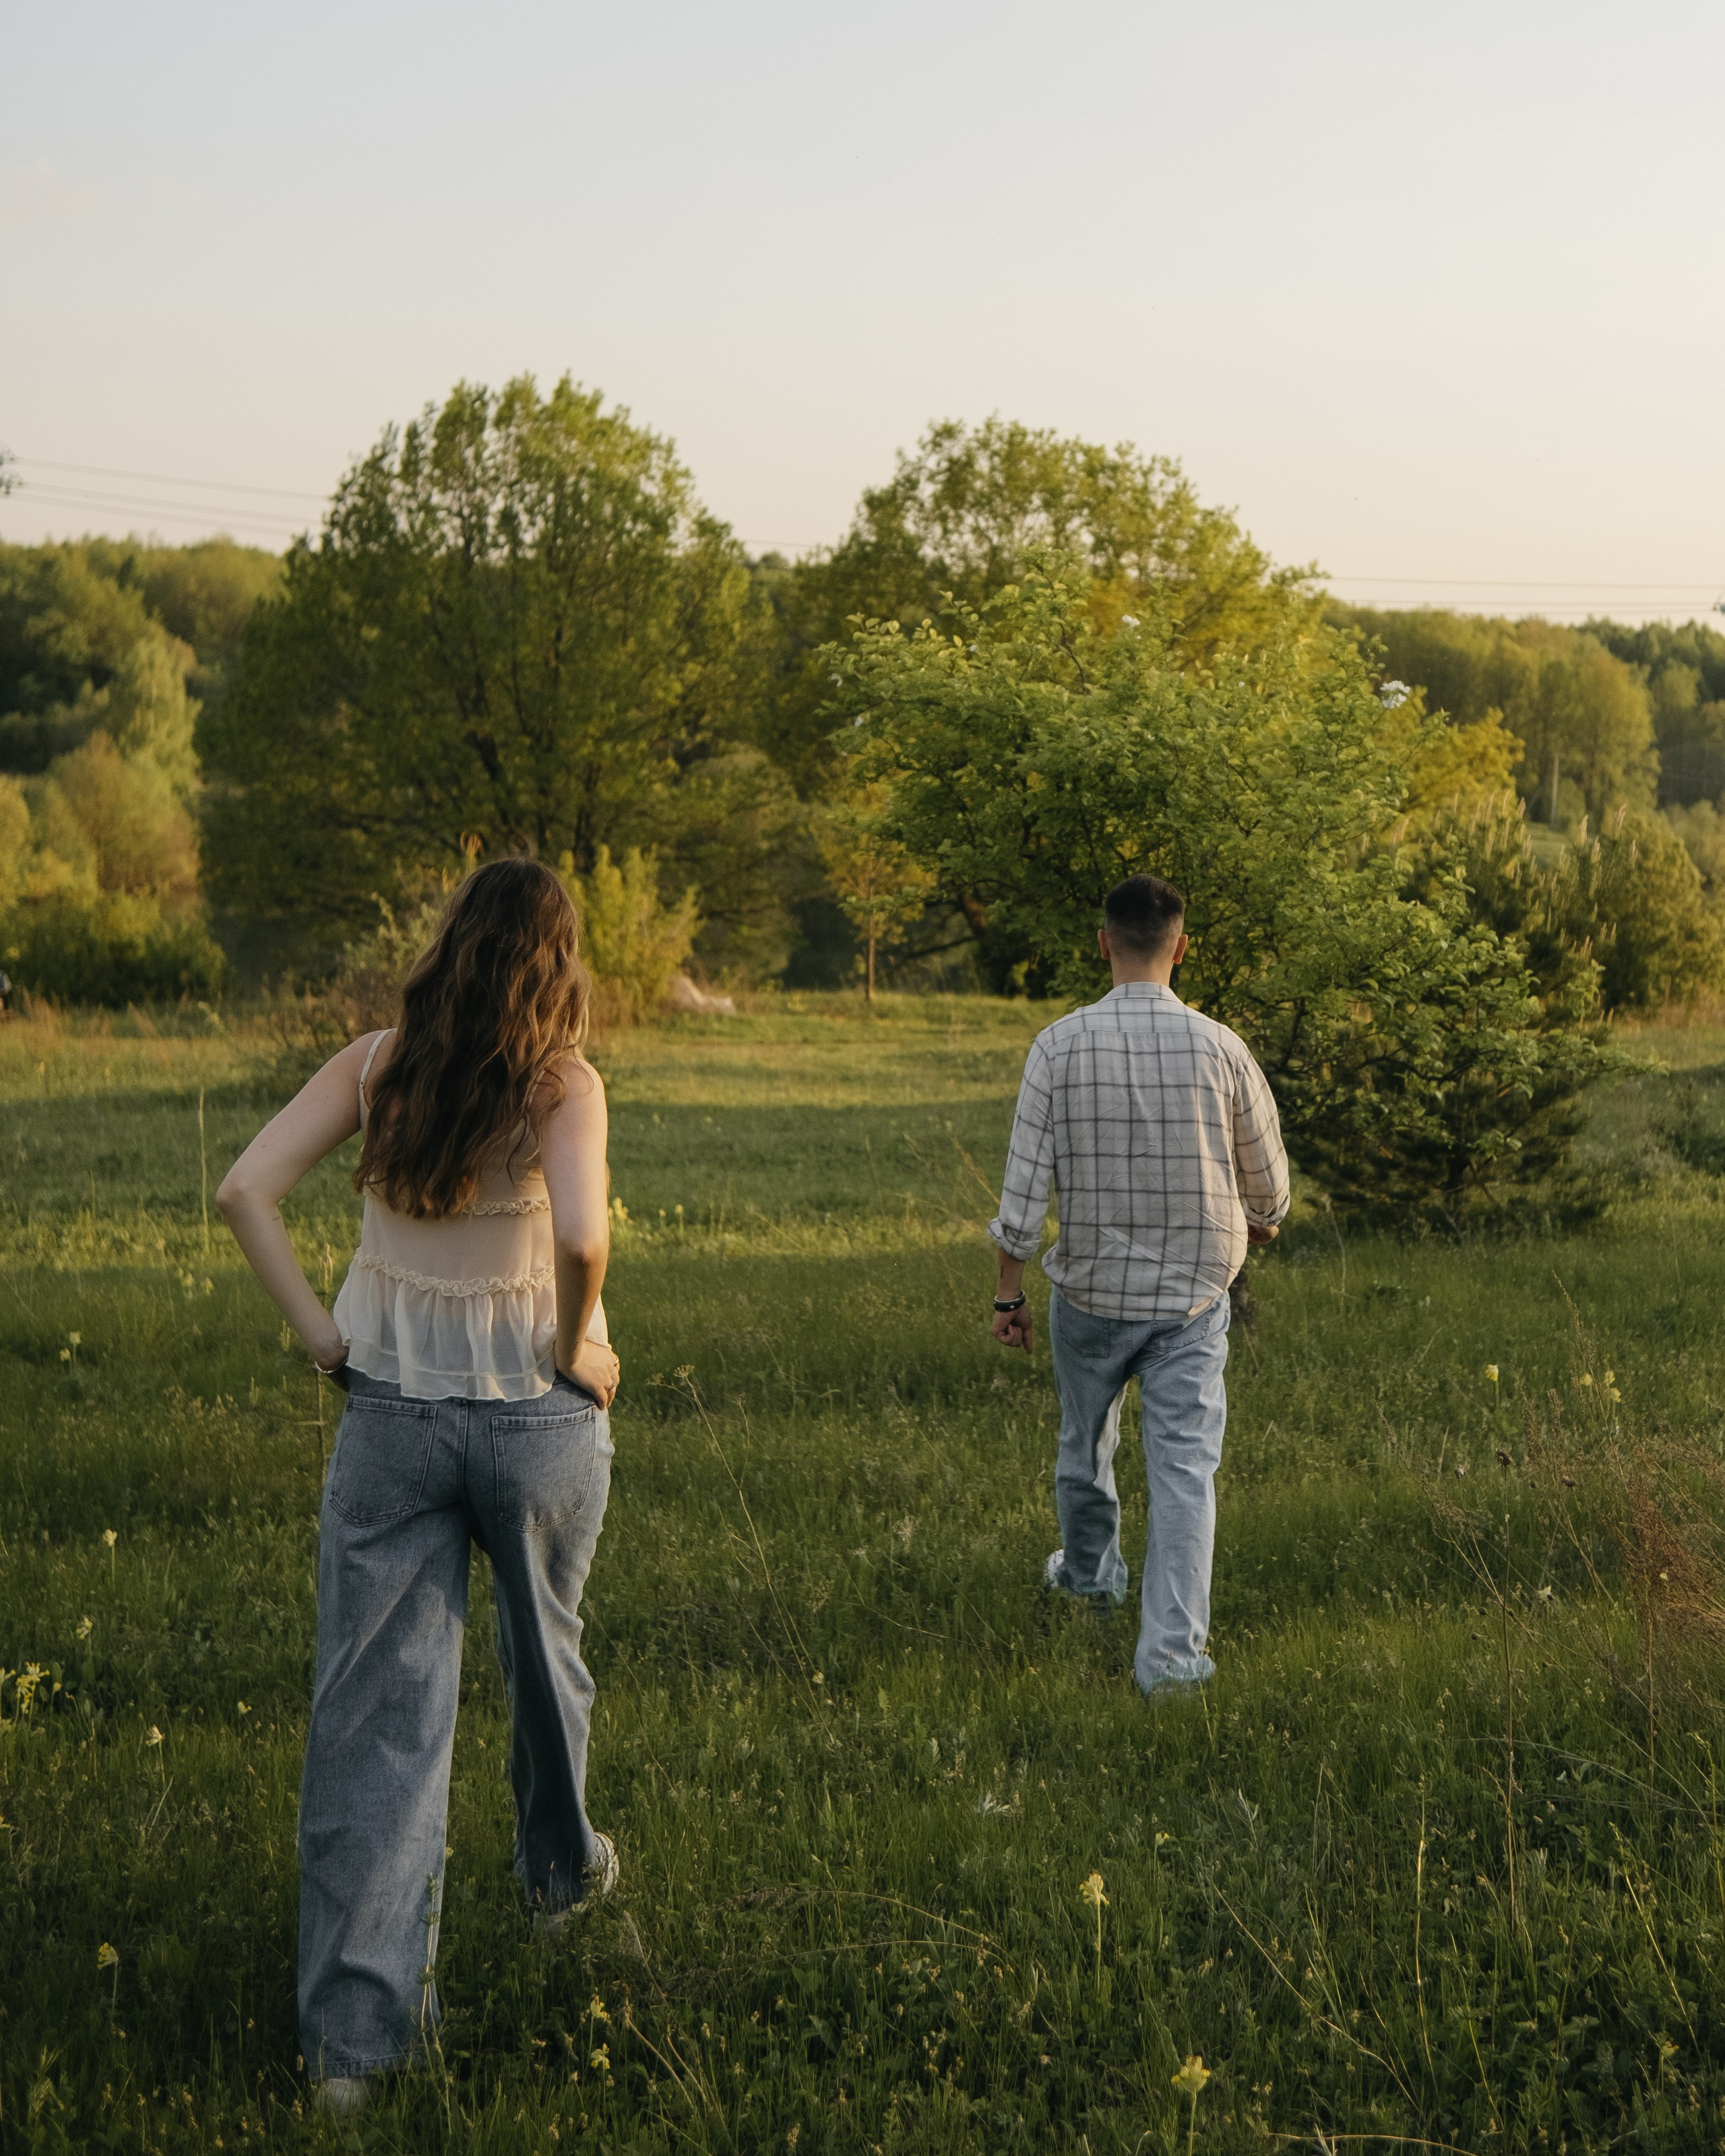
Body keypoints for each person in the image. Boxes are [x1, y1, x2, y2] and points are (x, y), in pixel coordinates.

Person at [217, 859, 622, 2115]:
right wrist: (576, 1345)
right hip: (537, 1419)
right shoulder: (563, 1083)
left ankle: (353, 2051)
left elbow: (243, 1190)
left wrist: (324, 1341)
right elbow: (581, 1236)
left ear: (450, 946)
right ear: (558, 963)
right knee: (546, 1659)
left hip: (389, 1415)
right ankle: (560, 1875)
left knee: (374, 1723)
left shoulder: (376, 1067)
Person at [987, 873, 1288, 1695]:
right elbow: (1270, 1191)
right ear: (1181, 947)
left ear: (1103, 943)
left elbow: (1022, 1192)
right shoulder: (1222, 1047)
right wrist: (1259, 1220)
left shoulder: (1056, 1046)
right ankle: (1171, 1662)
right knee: (1184, 1470)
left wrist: (1009, 1293)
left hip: (1088, 1296)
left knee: (1084, 1440)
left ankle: (1088, 1578)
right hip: (1192, 1300)